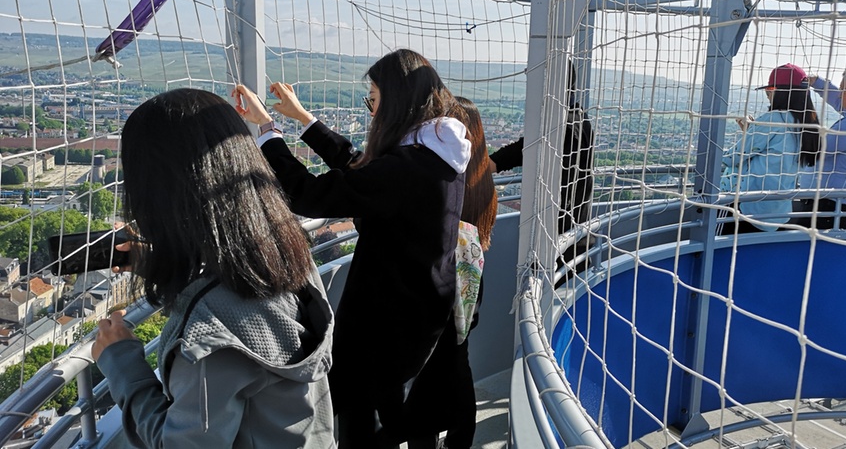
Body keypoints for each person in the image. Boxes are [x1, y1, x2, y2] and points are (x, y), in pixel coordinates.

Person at [233, 48, 471, 448]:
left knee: (358, 411)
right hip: (420, 313)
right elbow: (362, 170)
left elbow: (308, 194)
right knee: (398, 408)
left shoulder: (407, 166)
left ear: (396, 101)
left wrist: (267, 130)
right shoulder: (438, 150)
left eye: (374, 100)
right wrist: (305, 119)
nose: (373, 112)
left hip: (384, 324)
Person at [92, 88, 335, 448]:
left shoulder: (210, 337)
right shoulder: (288, 255)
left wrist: (120, 362)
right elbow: (236, 275)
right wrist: (159, 259)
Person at [407, 97, 498, 449]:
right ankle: (459, 441)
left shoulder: (446, 173)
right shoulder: (481, 174)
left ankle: (424, 441)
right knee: (458, 362)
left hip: (438, 279)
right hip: (469, 279)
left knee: (426, 370)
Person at [489, 64, 595, 234]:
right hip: (577, 227)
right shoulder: (580, 116)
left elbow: (503, 159)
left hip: (554, 232)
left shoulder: (558, 127)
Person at [720, 63, 820, 233]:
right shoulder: (808, 124)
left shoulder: (772, 119)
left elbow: (733, 157)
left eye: (770, 89)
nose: (768, 95)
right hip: (780, 212)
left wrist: (751, 133)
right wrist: (753, 131)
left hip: (748, 210)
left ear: (780, 92)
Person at [799, 64, 846, 229]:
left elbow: (814, 149)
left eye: (843, 88)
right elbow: (839, 102)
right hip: (842, 208)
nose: (839, 94)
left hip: (828, 212)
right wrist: (816, 82)